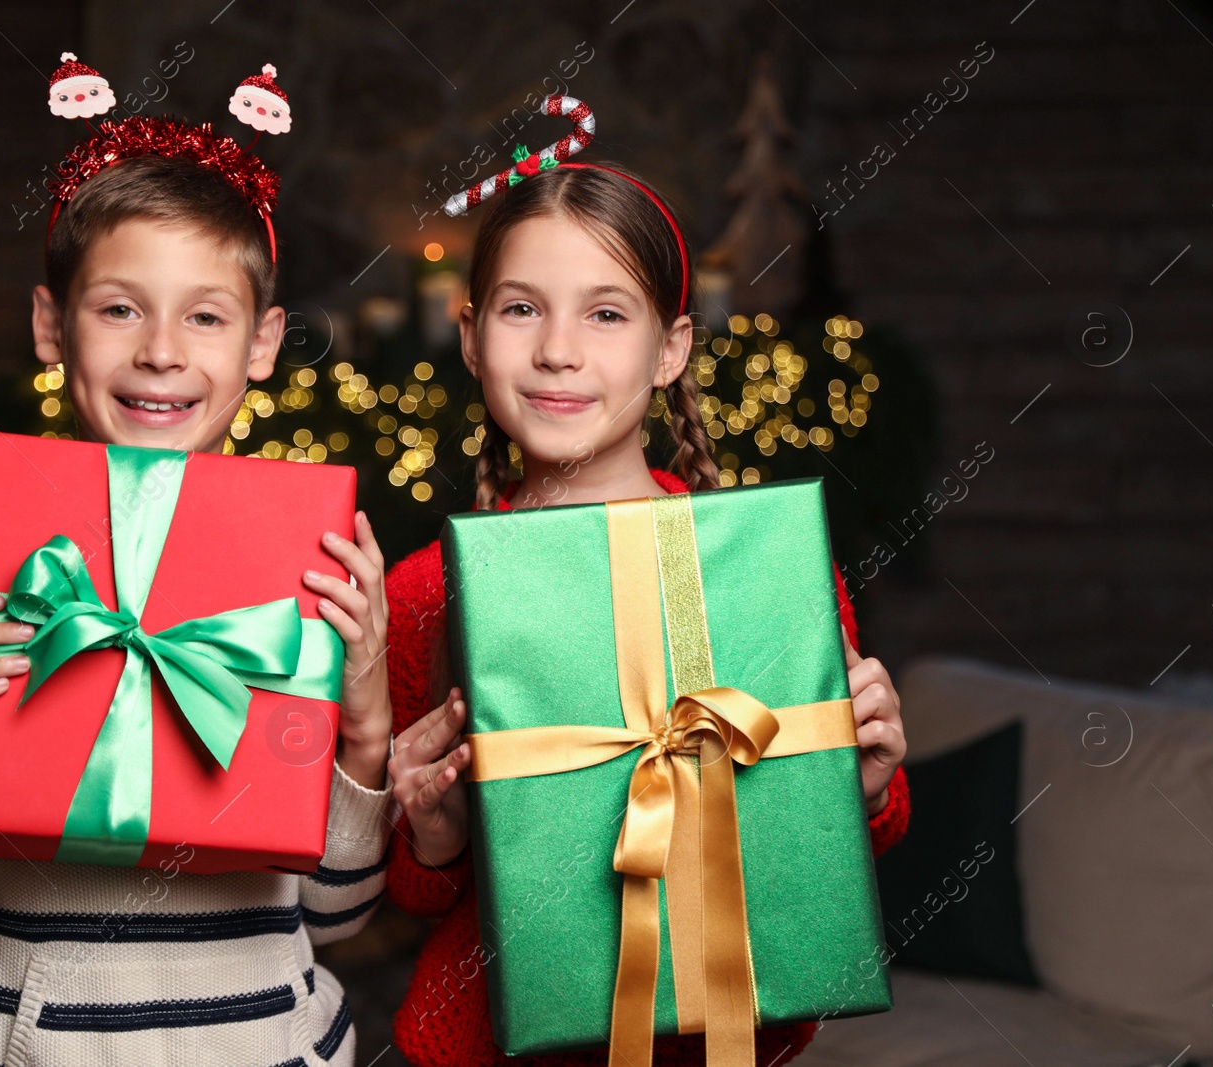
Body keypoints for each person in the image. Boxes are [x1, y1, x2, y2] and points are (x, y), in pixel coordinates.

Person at [0, 95, 396, 1065]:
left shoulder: (314, 575)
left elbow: (337, 908)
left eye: (205, 316)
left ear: (260, 342)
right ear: (52, 324)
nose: (160, 350)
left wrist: (366, 723)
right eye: (118, 307)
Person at [384, 160, 911, 1066]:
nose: (558, 349)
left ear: (670, 349)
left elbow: (872, 820)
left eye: (606, 313)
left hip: (730, 1036)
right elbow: (416, 890)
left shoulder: (765, 562)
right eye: (521, 309)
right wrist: (434, 836)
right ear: (470, 337)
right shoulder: (422, 592)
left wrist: (861, 779)